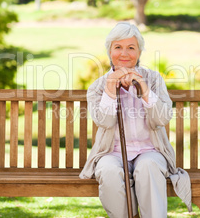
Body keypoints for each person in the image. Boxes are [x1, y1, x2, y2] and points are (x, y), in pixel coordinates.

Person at [79, 22, 192, 218]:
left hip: (150, 151)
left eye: (131, 48)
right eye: (118, 47)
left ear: (139, 52)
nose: (124, 53)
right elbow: (104, 122)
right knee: (107, 170)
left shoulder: (154, 80)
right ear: (109, 51)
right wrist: (111, 88)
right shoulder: (97, 87)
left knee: (148, 166)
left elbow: (162, 118)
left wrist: (144, 89)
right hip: (111, 153)